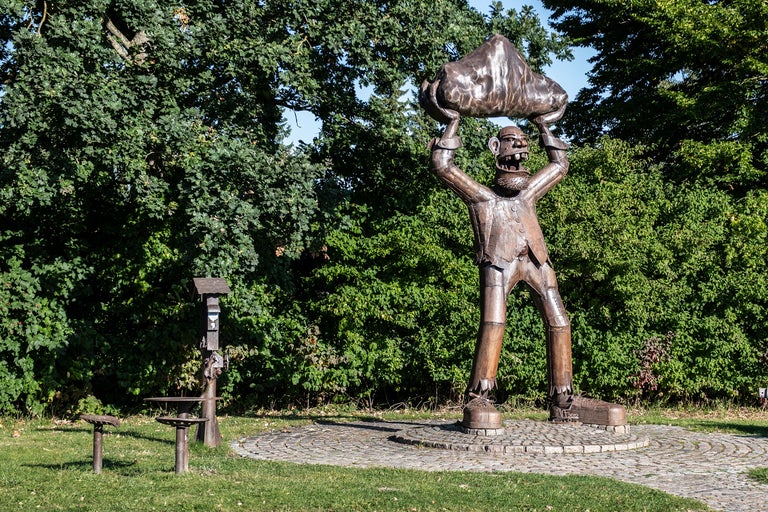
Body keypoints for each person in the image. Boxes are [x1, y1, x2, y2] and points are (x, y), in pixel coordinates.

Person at [429, 110, 624, 425]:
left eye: (522, 144)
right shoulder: (482, 199)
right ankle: (479, 397)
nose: (518, 149)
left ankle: (564, 401)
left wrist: (544, 126)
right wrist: (453, 122)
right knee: (493, 322)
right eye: (510, 142)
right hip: (498, 262)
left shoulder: (528, 194)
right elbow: (443, 166)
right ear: (496, 149)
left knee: (560, 321)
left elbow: (560, 165)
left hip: (536, 259)